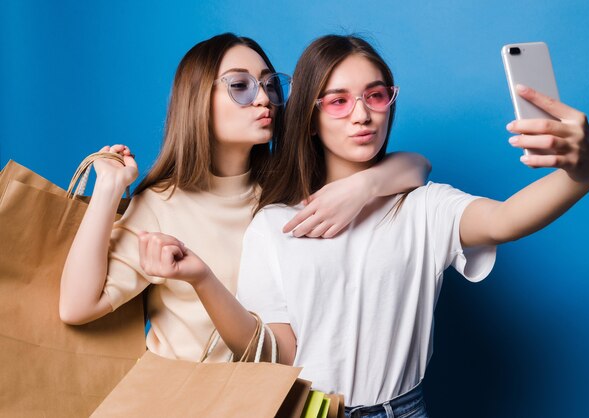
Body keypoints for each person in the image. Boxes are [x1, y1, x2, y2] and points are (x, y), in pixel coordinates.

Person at [134, 33, 589, 417]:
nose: (362, 114)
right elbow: (277, 352)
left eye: (376, 95)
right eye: (337, 101)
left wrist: (584, 173)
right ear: (311, 118)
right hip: (307, 411)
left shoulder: (422, 208)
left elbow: (505, 218)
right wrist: (200, 278)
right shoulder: (274, 224)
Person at [59, 33, 431, 363]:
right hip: (184, 401)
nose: (263, 99)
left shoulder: (289, 188)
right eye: (240, 86)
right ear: (198, 99)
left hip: (271, 397)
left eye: (270, 85)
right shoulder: (161, 205)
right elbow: (77, 306)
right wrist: (108, 190)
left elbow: (417, 166)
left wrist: (363, 186)